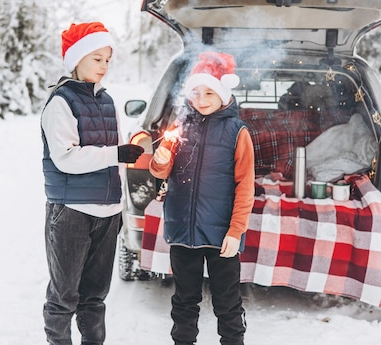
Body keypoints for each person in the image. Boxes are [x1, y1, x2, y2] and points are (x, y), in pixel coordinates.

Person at [41, 21, 144, 345]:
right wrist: (116, 153)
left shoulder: (108, 100)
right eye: (96, 58)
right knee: (64, 295)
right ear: (77, 59)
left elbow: (115, 155)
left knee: (95, 297)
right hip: (71, 212)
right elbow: (66, 158)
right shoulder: (61, 101)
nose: (104, 66)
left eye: (108, 59)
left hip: (108, 211)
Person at [149, 51, 255, 345]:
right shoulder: (181, 126)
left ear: (223, 93)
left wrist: (236, 231)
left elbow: (245, 186)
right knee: (184, 301)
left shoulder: (237, 132)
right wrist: (159, 160)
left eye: (210, 91)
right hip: (183, 232)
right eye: (195, 92)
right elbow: (162, 172)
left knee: (227, 302)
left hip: (222, 235)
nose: (202, 98)